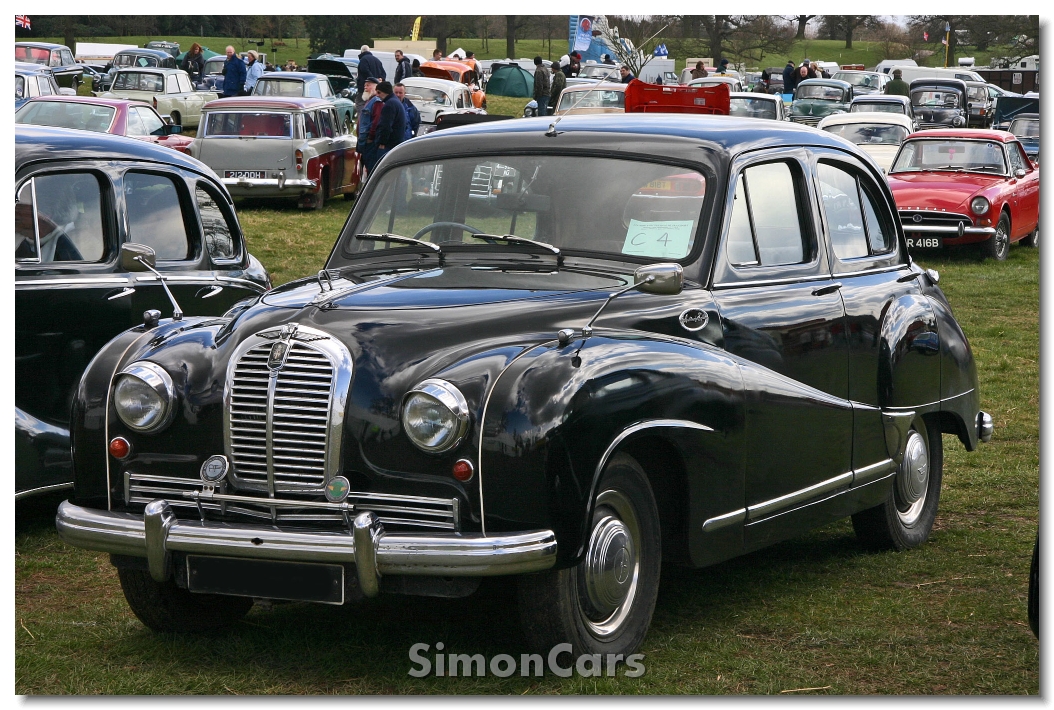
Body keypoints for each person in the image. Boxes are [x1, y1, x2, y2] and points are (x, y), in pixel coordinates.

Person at [369, 81, 406, 171]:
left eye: (379, 92)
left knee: (382, 170)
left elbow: (385, 126)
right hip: (396, 143)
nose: (377, 95)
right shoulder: (395, 102)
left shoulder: (389, 105)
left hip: (388, 145)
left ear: (385, 92)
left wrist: (382, 142)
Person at [357, 77, 381, 176]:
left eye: (368, 85)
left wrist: (370, 137)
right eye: (365, 85)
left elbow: (376, 121)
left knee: (371, 169)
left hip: (370, 143)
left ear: (375, 87)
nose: (365, 87)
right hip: (364, 141)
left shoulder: (376, 101)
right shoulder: (369, 100)